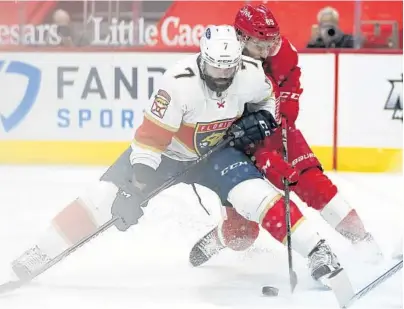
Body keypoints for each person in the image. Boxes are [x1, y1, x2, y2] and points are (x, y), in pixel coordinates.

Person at [10, 25, 341, 288]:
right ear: (201, 57)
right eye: (215, 67)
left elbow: (268, 99)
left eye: (229, 69)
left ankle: (316, 250)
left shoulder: (251, 74)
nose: (222, 77)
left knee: (257, 195)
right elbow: (150, 141)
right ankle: (42, 250)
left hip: (218, 153)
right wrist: (136, 188)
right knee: (103, 197)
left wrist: (264, 118)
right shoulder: (177, 85)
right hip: (166, 155)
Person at [190, 4, 381, 272]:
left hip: (279, 130)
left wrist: (286, 111)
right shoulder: (223, 63)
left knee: (315, 184)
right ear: (241, 38)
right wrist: (262, 154)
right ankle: (222, 236)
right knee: (242, 234)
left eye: (273, 41)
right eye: (261, 43)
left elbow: (291, 85)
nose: (268, 49)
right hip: (240, 145)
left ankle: (364, 242)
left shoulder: (283, 51)